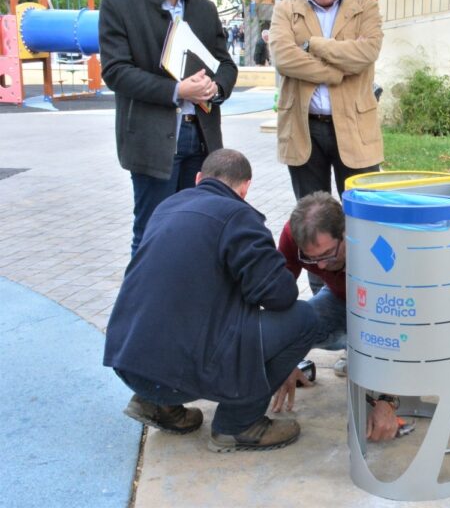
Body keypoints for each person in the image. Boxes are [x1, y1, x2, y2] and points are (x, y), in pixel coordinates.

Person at [103, 149, 316, 453]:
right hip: (175, 377)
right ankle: (239, 424)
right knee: (305, 318)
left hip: (128, 364)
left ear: (199, 179)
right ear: (245, 188)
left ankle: (158, 405)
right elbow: (280, 295)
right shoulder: (239, 216)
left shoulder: (167, 207)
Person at [99, 0, 237, 256]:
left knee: (195, 232)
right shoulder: (119, 6)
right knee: (152, 234)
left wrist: (216, 88)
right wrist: (177, 92)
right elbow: (116, 72)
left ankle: (186, 291)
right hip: (153, 141)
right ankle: (142, 293)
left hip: (202, 140)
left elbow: (226, 65)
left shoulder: (204, 9)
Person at [271, 191, 399, 442]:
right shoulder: (293, 236)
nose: (319, 266)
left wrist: (387, 399)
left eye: (328, 253)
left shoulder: (378, 244)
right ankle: (355, 349)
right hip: (340, 300)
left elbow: (400, 322)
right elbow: (278, 299)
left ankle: (362, 354)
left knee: (378, 345)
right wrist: (286, 357)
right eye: (311, 258)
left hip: (387, 310)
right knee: (301, 322)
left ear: (346, 231)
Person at [271, 0, 384, 202]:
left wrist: (313, 44)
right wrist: (336, 71)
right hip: (303, 129)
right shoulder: (285, 10)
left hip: (356, 128)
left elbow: (366, 53)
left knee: (363, 212)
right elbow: (284, 58)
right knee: (312, 216)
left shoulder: (367, 8)